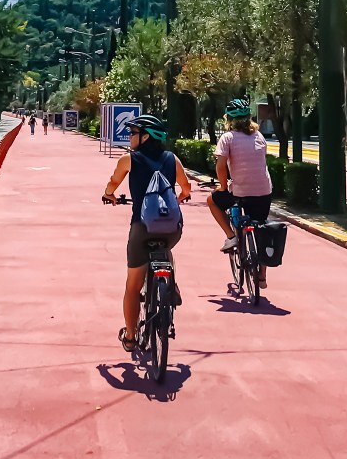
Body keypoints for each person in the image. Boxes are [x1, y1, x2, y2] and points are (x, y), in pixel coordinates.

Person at [102, 115, 191, 352]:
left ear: (145, 136)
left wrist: (109, 194)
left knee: (132, 287)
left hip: (142, 227)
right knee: (166, 247)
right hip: (172, 229)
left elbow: (113, 183)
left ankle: (130, 336)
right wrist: (179, 200)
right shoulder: (173, 159)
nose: (129, 137)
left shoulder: (128, 160)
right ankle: (170, 282)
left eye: (133, 133)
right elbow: (186, 187)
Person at [206, 98, 274, 286]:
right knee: (260, 227)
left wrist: (222, 186)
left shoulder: (227, 138)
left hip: (240, 191)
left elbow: (221, 166)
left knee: (212, 201)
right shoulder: (259, 136)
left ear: (228, 119)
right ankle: (262, 277)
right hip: (263, 190)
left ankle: (231, 237)